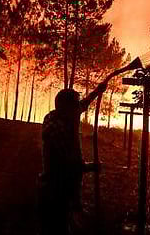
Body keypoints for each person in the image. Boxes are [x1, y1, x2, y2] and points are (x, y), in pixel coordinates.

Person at [39, 81, 107, 235]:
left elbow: (85, 103)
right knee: (57, 225)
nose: (80, 109)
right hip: (56, 187)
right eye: (76, 105)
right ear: (65, 107)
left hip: (66, 185)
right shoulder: (55, 127)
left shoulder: (69, 115)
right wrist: (90, 167)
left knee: (67, 219)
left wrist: (98, 90)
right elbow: (65, 164)